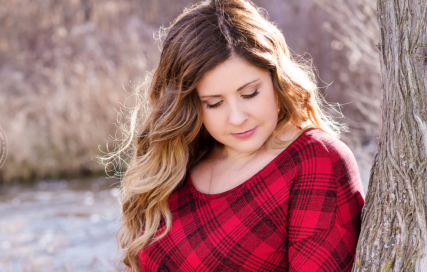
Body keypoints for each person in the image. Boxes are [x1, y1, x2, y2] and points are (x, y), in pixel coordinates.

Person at [100, 0, 366, 271]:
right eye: (214, 103)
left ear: (277, 80)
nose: (237, 117)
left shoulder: (316, 160)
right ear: (190, 106)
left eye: (250, 93)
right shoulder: (176, 166)